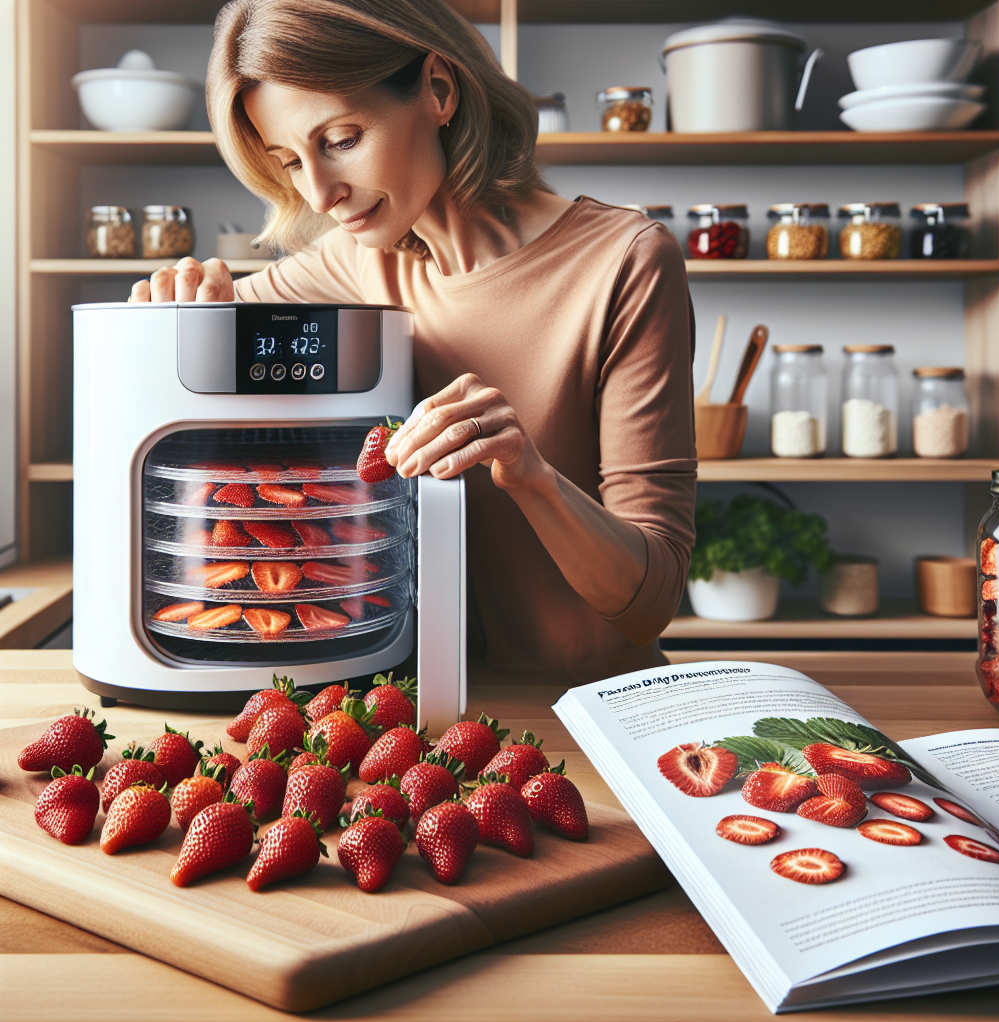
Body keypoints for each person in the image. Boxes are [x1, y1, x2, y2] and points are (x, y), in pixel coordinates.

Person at [130, 0, 696, 683]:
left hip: (588, 710)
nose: (320, 194)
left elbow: (652, 602)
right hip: (414, 721)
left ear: (438, 89)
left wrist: (532, 476)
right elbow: (204, 319)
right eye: (289, 161)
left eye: (340, 140)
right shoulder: (354, 259)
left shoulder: (624, 260)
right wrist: (184, 293)